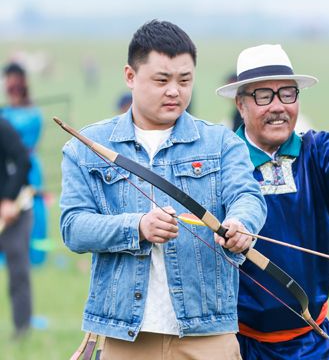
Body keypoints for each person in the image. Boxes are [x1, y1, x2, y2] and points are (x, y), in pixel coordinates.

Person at [59, 20, 266, 359]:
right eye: (161, 80)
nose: (174, 91)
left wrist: (242, 224)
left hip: (207, 332)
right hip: (126, 334)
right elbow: (74, 228)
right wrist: (138, 227)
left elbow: (247, 196)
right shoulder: (86, 147)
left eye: (184, 80)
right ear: (130, 76)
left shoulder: (221, 142)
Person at [216, 44, 329, 359]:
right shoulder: (221, 162)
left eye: (287, 94)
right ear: (241, 105)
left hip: (314, 344)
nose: (278, 107)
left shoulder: (315, 151)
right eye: (263, 96)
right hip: (241, 345)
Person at [2, 62, 48, 266]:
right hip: (5, 166)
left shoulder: (32, 114)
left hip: (27, 165)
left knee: (33, 206)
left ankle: (35, 255)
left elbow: (18, 133)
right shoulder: (5, 113)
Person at [0, 118, 32, 338]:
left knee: (17, 272)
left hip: (14, 212)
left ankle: (22, 329)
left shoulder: (2, 127)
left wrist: (9, 199)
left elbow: (23, 161)